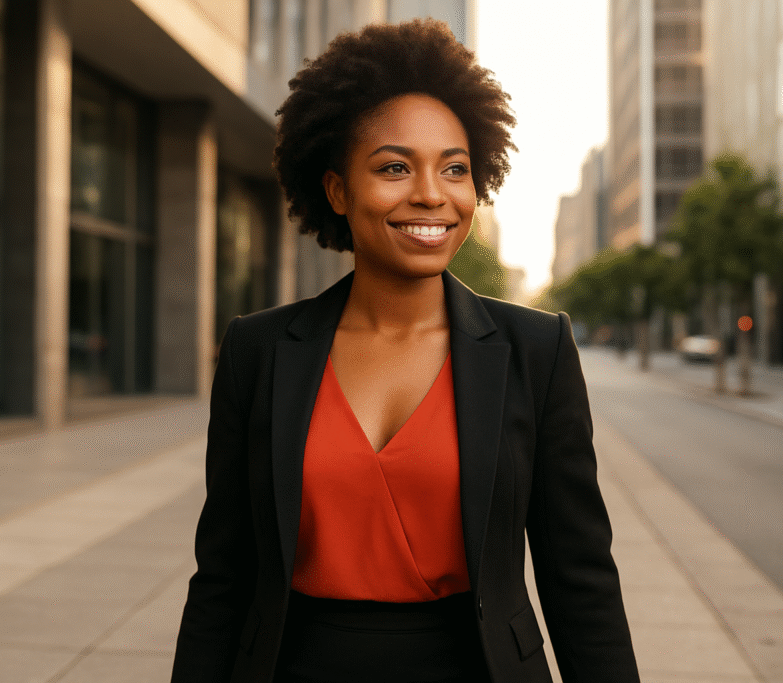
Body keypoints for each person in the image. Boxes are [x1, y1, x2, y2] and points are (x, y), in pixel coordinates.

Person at [171, 19, 639, 683]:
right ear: (336, 189)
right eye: (395, 166)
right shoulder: (261, 350)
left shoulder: (537, 351)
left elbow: (581, 579)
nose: (431, 193)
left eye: (455, 168)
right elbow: (223, 575)